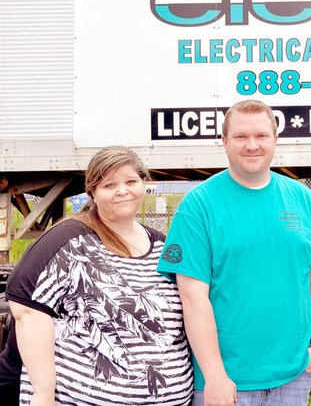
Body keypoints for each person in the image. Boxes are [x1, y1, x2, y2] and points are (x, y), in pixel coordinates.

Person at [157, 99, 311, 406]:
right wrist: (215, 375)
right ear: (225, 141)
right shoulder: (199, 205)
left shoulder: (302, 199)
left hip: (293, 376)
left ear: (275, 139)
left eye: (261, 136)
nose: (251, 145)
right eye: (241, 137)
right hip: (225, 383)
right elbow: (192, 296)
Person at [2, 146, 193, 405]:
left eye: (131, 181)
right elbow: (26, 307)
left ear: (144, 184)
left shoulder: (163, 247)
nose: (122, 191)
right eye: (109, 185)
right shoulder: (68, 241)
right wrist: (43, 393)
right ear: (92, 191)